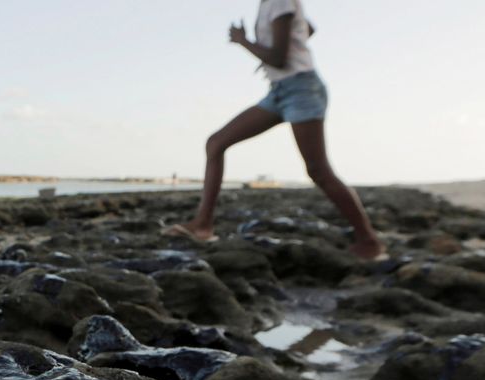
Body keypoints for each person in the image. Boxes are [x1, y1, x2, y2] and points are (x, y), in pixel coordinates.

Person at [165, 0, 385, 261]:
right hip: (280, 92)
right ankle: (202, 225)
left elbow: (278, 59)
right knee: (216, 143)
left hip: (302, 89)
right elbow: (307, 28)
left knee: (318, 170)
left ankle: (369, 241)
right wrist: (290, 45)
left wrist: (242, 40)